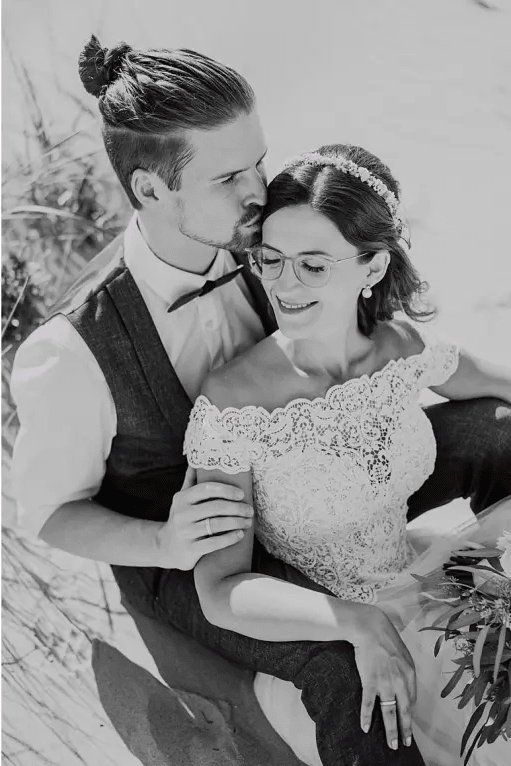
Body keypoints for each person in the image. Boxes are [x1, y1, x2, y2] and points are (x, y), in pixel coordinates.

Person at [9, 37, 511, 765]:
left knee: (497, 432)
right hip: (194, 550)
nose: (258, 191)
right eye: (229, 177)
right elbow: (50, 515)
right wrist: (164, 542)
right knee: (343, 672)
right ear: (151, 189)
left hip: (331, 476)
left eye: (258, 162)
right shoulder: (71, 348)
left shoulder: (270, 239)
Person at [185, 143, 511, 766]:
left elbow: (501, 387)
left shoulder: (399, 349)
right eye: (271, 259)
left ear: (372, 266)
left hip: (418, 586)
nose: (284, 285)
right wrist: (353, 621)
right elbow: (219, 589)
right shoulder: (234, 400)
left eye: (313, 265)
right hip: (322, 625)